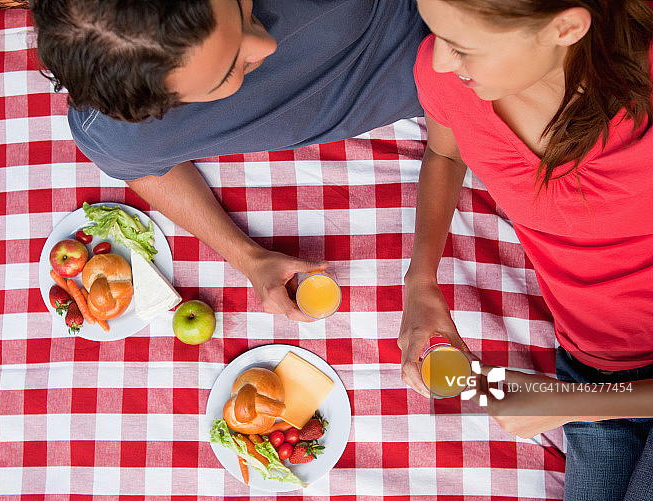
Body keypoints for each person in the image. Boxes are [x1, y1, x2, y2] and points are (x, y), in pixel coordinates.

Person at [397, 0, 653, 501]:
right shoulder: (448, 80)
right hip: (590, 371)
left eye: (463, 47)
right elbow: (446, 153)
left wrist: (571, 405)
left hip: (584, 396)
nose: (439, 61)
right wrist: (421, 282)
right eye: (437, 34)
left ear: (566, 27)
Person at [29, 0, 428, 321]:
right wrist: (250, 259)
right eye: (228, 73)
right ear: (160, 108)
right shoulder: (119, 131)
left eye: (241, 8)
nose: (266, 46)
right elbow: (139, 165)